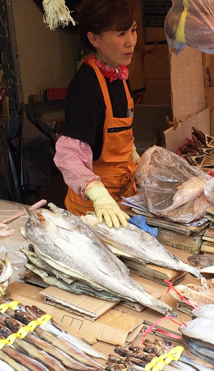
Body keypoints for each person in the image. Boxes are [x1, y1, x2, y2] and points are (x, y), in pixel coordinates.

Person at [54, 0, 140, 228]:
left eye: (133, 30)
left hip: (124, 198)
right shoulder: (86, 89)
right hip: (93, 212)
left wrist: (135, 157)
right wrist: (98, 195)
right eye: (121, 33)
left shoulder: (118, 74)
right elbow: (68, 155)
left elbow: (118, 132)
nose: (130, 41)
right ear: (95, 39)